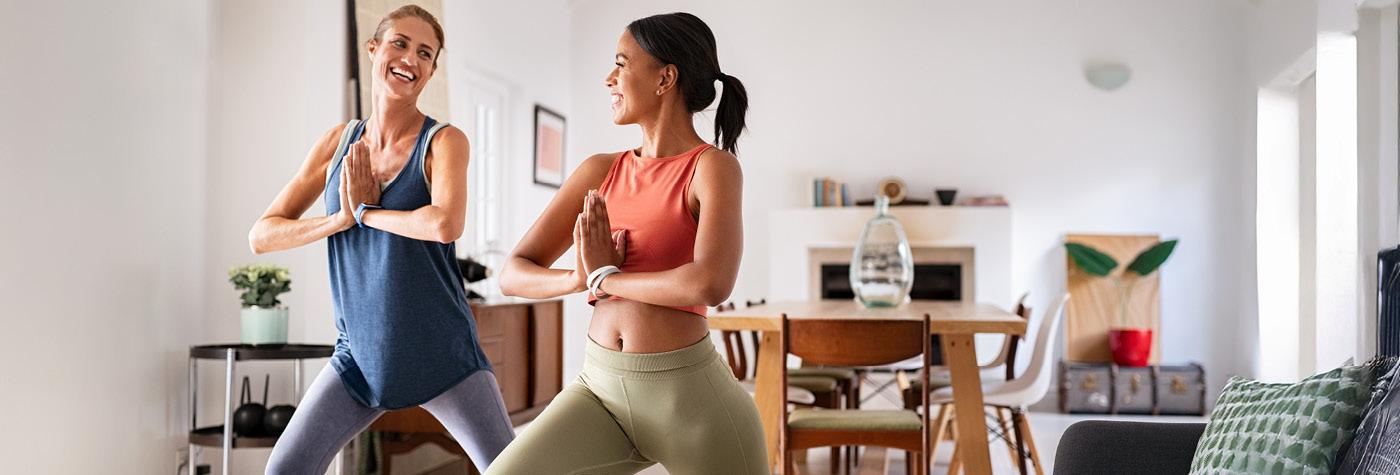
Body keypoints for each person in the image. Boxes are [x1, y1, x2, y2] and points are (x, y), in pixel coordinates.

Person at [488, 12, 765, 475]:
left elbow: (710, 284)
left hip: (693, 403)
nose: (609, 78)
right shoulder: (600, 171)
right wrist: (579, 277)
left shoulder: (712, 168)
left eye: (621, 63)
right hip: (599, 393)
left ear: (665, 78)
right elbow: (513, 272)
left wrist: (607, 278)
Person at [247, 5, 514, 473]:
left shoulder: (445, 142)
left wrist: (369, 213)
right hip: (359, 359)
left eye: (425, 53)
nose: (410, 58)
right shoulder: (337, 143)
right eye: (400, 43)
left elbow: (444, 224)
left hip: (443, 356)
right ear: (373, 49)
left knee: (511, 470)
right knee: (283, 469)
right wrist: (339, 221)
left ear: (431, 71)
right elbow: (262, 235)